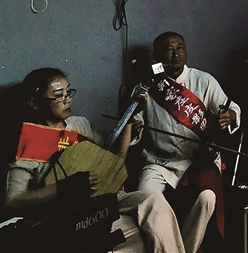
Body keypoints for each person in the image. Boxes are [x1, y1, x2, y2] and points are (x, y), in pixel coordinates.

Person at [5, 67, 185, 252]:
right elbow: (13, 200)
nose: (67, 100)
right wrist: (64, 187)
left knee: (152, 198)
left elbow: (113, 160)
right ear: (34, 103)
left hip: (102, 200)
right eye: (58, 96)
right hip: (67, 214)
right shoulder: (28, 142)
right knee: (140, 231)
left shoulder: (80, 125)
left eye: (69, 92)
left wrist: (129, 120)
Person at [133, 32, 241, 253]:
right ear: (157, 55)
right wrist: (134, 127)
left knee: (208, 197)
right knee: (146, 196)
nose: (176, 54)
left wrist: (230, 115)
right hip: (158, 162)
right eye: (169, 49)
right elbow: (134, 123)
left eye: (180, 47)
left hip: (197, 160)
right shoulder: (146, 86)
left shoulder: (203, 80)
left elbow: (231, 107)